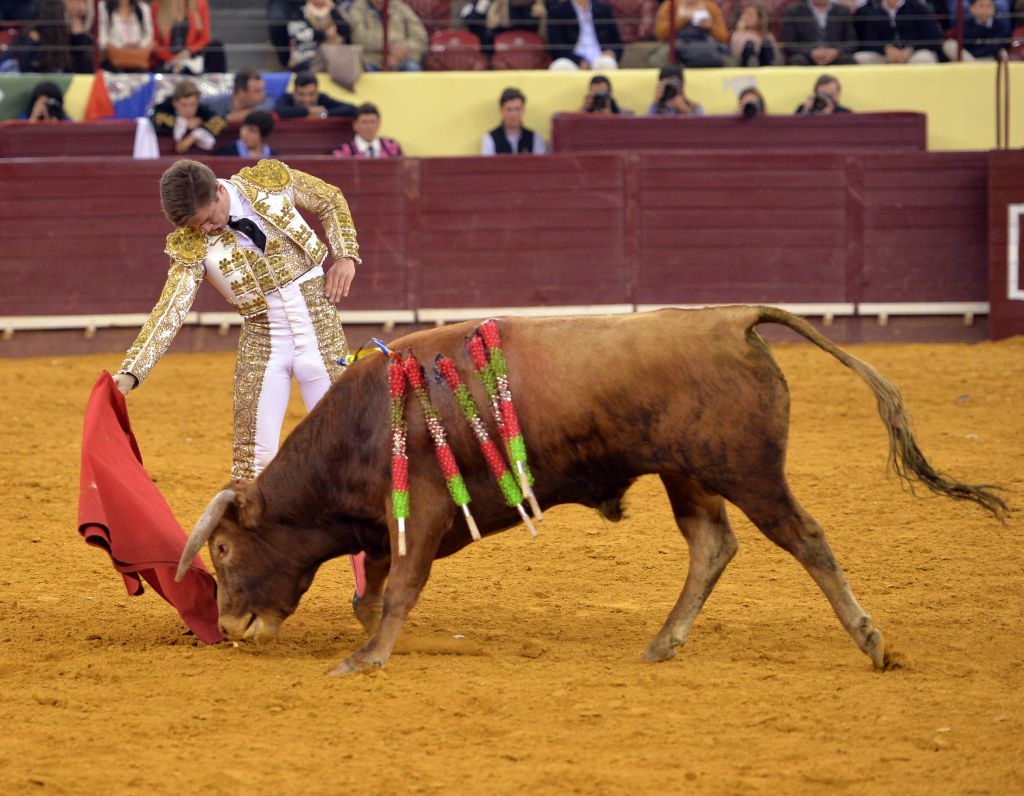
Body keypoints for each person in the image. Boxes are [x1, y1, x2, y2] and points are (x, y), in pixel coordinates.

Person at [111, 158, 363, 590]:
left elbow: (330, 199)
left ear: (217, 192)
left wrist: (346, 256)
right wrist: (129, 375)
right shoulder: (192, 245)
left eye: (208, 219)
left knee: (353, 457)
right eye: (196, 226)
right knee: (251, 470)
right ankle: (254, 586)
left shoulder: (269, 182)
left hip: (320, 332)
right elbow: (169, 312)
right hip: (263, 344)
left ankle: (370, 588)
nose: (206, 230)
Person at [13, 0, 93, 73]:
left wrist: (77, 32)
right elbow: (23, 68)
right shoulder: (30, 37)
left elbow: (84, 71)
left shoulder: (69, 39)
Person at [346, 0, 428, 71]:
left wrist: (401, 50)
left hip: (401, 58)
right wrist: (391, 46)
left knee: (412, 68)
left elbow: (420, 38)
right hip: (371, 60)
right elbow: (359, 37)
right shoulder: (357, 8)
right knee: (363, 71)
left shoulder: (400, 7)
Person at [854, 0, 944, 63]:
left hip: (915, 53)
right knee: (860, 58)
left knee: (924, 59)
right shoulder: (874, 11)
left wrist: (911, 49)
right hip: (887, 55)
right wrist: (886, 49)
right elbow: (870, 40)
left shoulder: (918, 7)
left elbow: (934, 37)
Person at [150, 79, 227, 153]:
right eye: (184, 105)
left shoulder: (202, 110)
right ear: (175, 103)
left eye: (193, 105)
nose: (189, 109)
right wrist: (183, 122)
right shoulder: (164, 108)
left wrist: (195, 135)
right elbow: (155, 119)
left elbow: (220, 122)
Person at [150, 0, 226, 73]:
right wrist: (172, 59)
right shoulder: (157, 6)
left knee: (216, 47)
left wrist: (188, 52)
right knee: (178, 69)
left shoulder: (200, 4)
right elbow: (154, 43)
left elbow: (205, 38)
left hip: (192, 58)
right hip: (168, 61)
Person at [546, 0, 623, 68]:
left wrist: (612, 52)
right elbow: (556, 46)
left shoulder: (603, 9)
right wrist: (578, 61)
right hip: (572, 60)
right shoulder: (558, 11)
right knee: (560, 66)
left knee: (607, 63)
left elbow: (616, 41)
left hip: (600, 58)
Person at [653, 0, 728, 67]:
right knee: (657, 60)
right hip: (678, 46)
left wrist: (710, 27)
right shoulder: (670, 6)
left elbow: (723, 37)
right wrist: (681, 20)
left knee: (728, 59)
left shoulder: (710, 7)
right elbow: (660, 35)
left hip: (706, 46)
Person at [780, 0, 856, 65]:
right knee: (797, 60)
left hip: (835, 57)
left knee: (847, 60)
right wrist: (811, 52)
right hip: (807, 57)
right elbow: (789, 44)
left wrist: (836, 52)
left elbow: (852, 42)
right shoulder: (794, 11)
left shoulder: (843, 11)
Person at [286, 0, 352, 71]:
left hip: (333, 55)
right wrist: (325, 35)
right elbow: (298, 34)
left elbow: (345, 31)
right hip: (307, 57)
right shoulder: (300, 12)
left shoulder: (335, 10)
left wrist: (332, 9)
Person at [480, 87, 547, 155]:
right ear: (501, 110)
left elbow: (540, 161)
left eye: (517, 109)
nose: (513, 114)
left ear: (523, 110)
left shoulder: (535, 137)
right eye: (509, 109)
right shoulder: (490, 138)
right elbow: (487, 161)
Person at [941, 0, 1011, 60]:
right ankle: (973, 65)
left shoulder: (1000, 26)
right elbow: (965, 44)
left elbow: (997, 46)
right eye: (981, 6)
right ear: (972, 9)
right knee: (949, 45)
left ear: (994, 9)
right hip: (969, 58)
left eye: (989, 6)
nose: (985, 9)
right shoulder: (966, 25)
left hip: (989, 59)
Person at [274, 70, 357, 120]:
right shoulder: (287, 98)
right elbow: (278, 110)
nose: (307, 99)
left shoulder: (322, 98)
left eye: (311, 94)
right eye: (301, 94)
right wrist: (308, 111)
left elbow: (351, 109)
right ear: (294, 91)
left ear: (317, 92)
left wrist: (323, 114)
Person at [98, 0, 154, 71]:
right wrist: (122, 46)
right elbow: (102, 39)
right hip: (113, 62)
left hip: (138, 60)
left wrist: (138, 45)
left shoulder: (143, 8)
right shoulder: (103, 7)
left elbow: (148, 37)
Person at [332, 102, 403, 157]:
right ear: (355, 125)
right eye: (364, 122)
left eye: (373, 122)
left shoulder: (392, 146)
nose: (369, 127)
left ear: (379, 124)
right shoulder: (343, 151)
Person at [205, 69, 275, 124]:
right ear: (241, 92)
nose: (263, 94)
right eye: (257, 91)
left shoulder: (267, 100)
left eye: (263, 89)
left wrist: (227, 119)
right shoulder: (211, 103)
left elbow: (263, 110)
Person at [730, 2, 781, 67]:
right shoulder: (739, 34)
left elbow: (776, 56)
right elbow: (735, 54)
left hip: (764, 65)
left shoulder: (767, 36)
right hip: (744, 66)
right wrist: (739, 32)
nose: (745, 17)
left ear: (760, 19)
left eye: (750, 15)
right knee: (749, 45)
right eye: (744, 14)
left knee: (766, 44)